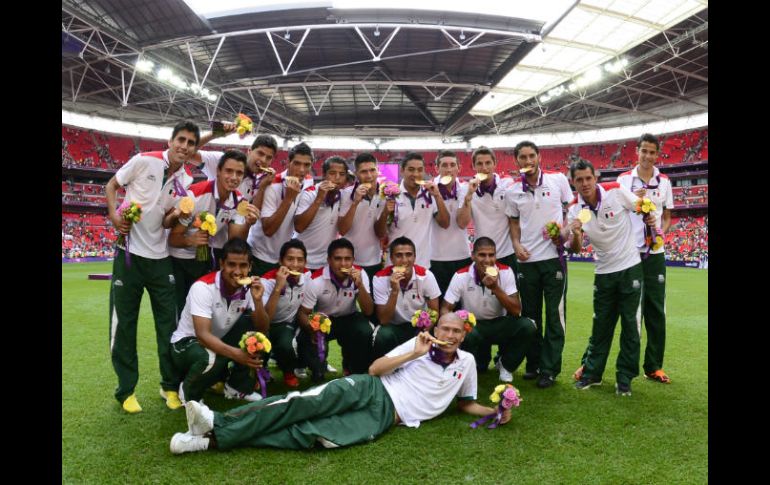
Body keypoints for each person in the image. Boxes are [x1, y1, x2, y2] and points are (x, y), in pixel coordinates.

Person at [169, 312, 511, 454]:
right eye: (445, 330)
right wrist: (412, 354)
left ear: (464, 334)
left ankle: (209, 442)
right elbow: (376, 369)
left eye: (456, 332)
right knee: (302, 403)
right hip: (373, 387)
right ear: (436, 330)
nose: (449, 336)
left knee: (315, 436)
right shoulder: (419, 344)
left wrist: (495, 410)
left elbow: (466, 403)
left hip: (388, 416)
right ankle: (218, 422)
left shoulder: (466, 364)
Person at [105, 120, 200, 413]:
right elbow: (111, 185)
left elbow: (165, 221)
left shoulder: (186, 184)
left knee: (169, 327)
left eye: (191, 143)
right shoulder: (143, 161)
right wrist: (113, 216)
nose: (184, 146)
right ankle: (126, 391)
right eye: (181, 140)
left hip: (161, 259)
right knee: (124, 324)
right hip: (129, 255)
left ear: (195, 149)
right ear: (171, 141)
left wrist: (179, 215)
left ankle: (169, 386)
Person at [566, 159, 648, 397]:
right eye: (579, 180)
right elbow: (575, 249)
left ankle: (625, 378)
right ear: (573, 182)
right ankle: (592, 374)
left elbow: (642, 207)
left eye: (588, 178)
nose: (584, 183)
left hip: (630, 267)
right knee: (601, 326)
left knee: (630, 326)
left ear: (595, 177)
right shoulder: (574, 209)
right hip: (603, 272)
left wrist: (651, 218)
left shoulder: (614, 191)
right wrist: (576, 232)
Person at [506, 141, 573, 388]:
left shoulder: (557, 181)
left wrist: (564, 232)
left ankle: (550, 369)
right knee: (531, 317)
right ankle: (533, 364)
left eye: (531, 156)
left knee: (555, 317)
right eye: (522, 157)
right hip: (527, 261)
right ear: (516, 161)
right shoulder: (513, 191)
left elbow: (570, 212)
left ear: (539, 157)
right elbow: (513, 223)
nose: (527, 161)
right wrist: (515, 244)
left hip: (554, 258)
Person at [170, 238, 267, 403]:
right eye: (231, 264)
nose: (237, 271)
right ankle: (189, 393)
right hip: (186, 344)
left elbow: (263, 328)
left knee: (257, 339)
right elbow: (202, 335)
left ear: (250, 267)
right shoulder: (203, 287)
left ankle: (237, 387)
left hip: (217, 339)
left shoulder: (251, 288)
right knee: (210, 357)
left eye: (243, 265)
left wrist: (258, 301)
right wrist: (237, 354)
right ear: (222, 264)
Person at [615, 133, 673, 384]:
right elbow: (618, 212)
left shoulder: (665, 181)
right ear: (636, 151)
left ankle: (654, 366)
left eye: (652, 152)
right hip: (631, 253)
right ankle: (627, 368)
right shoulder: (623, 180)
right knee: (629, 312)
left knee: (656, 311)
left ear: (657, 154)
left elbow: (667, 216)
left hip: (656, 255)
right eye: (644, 151)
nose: (648, 156)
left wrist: (661, 234)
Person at [168, 151, 260, 305]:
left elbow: (235, 240)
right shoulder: (195, 195)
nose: (234, 177)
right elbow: (172, 238)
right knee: (178, 312)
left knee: (201, 307)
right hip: (179, 260)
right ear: (218, 171)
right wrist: (190, 240)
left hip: (204, 261)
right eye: (229, 171)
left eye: (239, 173)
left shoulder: (239, 201)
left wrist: (248, 223)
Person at [440, 237, 536, 381]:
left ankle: (506, 365)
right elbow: (445, 309)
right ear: (473, 256)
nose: (487, 260)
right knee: (479, 365)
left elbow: (516, 310)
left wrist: (495, 288)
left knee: (528, 326)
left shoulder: (505, 271)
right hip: (474, 327)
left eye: (491, 255)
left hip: (500, 323)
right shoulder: (461, 275)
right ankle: (470, 365)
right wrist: (454, 329)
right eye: (482, 255)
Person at [296, 238, 376, 380]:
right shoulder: (316, 279)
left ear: (353, 260)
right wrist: (311, 329)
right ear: (329, 260)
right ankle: (316, 368)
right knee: (305, 337)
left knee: (365, 331)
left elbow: (368, 311)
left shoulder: (360, 274)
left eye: (347, 259)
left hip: (350, 317)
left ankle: (354, 369)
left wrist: (360, 286)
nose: (343, 264)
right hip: (324, 320)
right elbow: (303, 313)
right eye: (338, 259)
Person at [253, 239, 312, 388]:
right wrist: (278, 287)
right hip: (263, 324)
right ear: (280, 261)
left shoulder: (308, 278)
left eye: (300, 260)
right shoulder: (267, 280)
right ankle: (259, 370)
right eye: (290, 259)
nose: (295, 264)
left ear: (305, 262)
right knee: (259, 341)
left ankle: (288, 372)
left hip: (286, 324)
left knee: (287, 344)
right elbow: (266, 319)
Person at [248, 142, 314, 276]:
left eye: (306, 165)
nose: (302, 170)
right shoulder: (272, 185)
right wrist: (288, 199)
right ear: (288, 162)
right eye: (297, 163)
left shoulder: (308, 182)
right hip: (260, 255)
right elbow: (268, 230)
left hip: (284, 258)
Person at [375, 152, 449, 269]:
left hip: (422, 265)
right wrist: (385, 213)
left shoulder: (430, 195)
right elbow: (380, 233)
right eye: (411, 169)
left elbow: (445, 223)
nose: (415, 174)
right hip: (394, 265)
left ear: (424, 172)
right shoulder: (390, 195)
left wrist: (438, 196)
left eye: (420, 170)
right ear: (402, 171)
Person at [372, 237, 442, 358]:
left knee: (438, 335)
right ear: (391, 258)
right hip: (393, 326)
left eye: (409, 255)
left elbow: (434, 312)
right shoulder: (380, 278)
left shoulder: (426, 276)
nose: (404, 260)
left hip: (418, 327)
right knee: (383, 335)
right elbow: (383, 319)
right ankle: (385, 368)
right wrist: (394, 291)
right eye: (399, 255)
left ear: (415, 257)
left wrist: (425, 331)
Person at [456, 146, 517, 269]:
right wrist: (469, 196)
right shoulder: (466, 189)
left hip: (508, 253)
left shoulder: (507, 184)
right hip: (483, 255)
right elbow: (462, 223)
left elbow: (515, 219)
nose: (484, 168)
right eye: (479, 164)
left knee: (510, 289)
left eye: (488, 163)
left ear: (495, 164)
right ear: (473, 166)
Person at [194, 127, 278, 211]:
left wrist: (262, 187)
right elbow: (189, 154)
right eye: (260, 153)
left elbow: (250, 215)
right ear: (250, 151)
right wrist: (214, 134)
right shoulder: (222, 160)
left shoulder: (257, 184)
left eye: (269, 158)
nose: (263, 160)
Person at [429, 150, 472, 296]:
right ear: (436, 168)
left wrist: (466, 200)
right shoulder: (428, 190)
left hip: (462, 255)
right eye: (444, 165)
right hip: (436, 257)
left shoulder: (466, 188)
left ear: (459, 168)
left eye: (452, 165)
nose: (448, 169)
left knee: (463, 305)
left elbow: (462, 223)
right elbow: (444, 223)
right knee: (439, 304)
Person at [337, 153, 386, 281]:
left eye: (372, 170)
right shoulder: (346, 194)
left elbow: (382, 233)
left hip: (374, 260)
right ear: (356, 173)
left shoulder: (386, 195)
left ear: (378, 170)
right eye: (364, 171)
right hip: (349, 261)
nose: (369, 176)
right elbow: (342, 230)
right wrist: (355, 202)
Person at [294, 156, 348, 270]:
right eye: (332, 173)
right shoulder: (310, 193)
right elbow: (299, 227)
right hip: (302, 261)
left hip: (326, 262)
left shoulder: (343, 196)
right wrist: (319, 199)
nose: (337, 178)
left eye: (342, 174)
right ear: (324, 175)